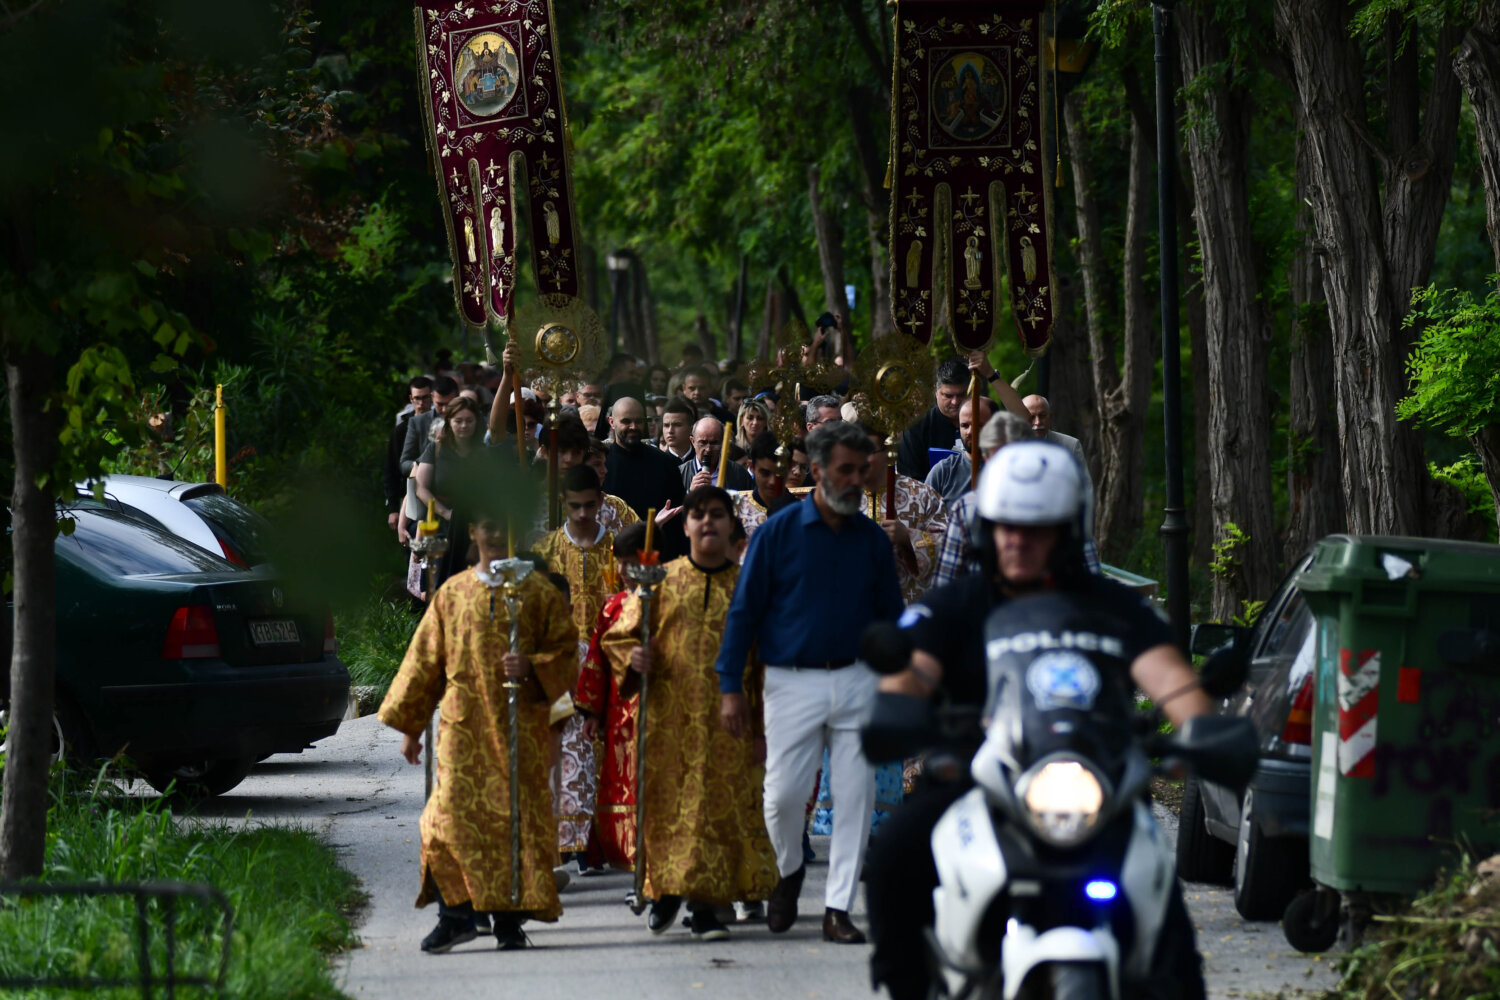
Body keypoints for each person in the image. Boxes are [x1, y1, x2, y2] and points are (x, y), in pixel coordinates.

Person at [865, 440, 1213, 1000]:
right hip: (977, 775)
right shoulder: (955, 604)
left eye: (1037, 527)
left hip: (1098, 788)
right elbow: (913, 670)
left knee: (1168, 926)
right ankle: (907, 985)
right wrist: (897, 708)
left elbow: (1172, 679)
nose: (1017, 539)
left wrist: (1205, 728)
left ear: (1067, 531)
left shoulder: (1113, 606)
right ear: (986, 527)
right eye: (1005, 525)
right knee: (895, 852)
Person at [715, 421, 905, 944]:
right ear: (817, 471)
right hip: (790, 682)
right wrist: (730, 684)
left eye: (860, 470)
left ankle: (837, 907)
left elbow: (891, 617)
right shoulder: (777, 533)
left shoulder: (870, 541)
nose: (854, 479)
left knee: (855, 797)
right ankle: (791, 869)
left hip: (856, 682)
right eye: (845, 469)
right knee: (781, 797)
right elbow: (744, 611)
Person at [379, 515, 580, 953]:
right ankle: (456, 915)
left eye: (500, 523)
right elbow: (426, 660)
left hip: (519, 724)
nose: (492, 531)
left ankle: (508, 921)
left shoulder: (539, 592)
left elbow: (566, 650)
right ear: (473, 532)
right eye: (485, 524)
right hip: (462, 725)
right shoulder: (452, 593)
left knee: (513, 821)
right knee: (444, 819)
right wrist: (412, 727)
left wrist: (532, 666)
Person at [602, 486, 779, 941]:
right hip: (669, 719)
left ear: (730, 526)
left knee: (716, 813)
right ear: (685, 526)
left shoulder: (747, 586)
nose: (707, 523)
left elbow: (763, 660)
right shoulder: (659, 580)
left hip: (729, 720)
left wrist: (763, 726)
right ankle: (666, 891)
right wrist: (632, 657)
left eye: (717, 516)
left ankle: (706, 908)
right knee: (670, 810)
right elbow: (620, 637)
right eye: (699, 516)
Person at [534, 466, 618, 863]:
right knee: (566, 753)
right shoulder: (546, 551)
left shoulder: (618, 550)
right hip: (558, 666)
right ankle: (565, 841)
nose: (583, 514)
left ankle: (601, 839)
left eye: (590, 505)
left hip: (609, 663)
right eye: (575, 507)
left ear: (601, 502)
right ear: (564, 504)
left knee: (601, 749)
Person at [573, 523, 654, 874]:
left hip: (660, 711)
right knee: (620, 783)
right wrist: (591, 712)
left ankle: (654, 859)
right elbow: (596, 662)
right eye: (618, 562)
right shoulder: (611, 607)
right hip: (619, 714)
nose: (622, 570)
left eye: (630, 561)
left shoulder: (668, 598)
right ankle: (623, 854)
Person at [932, 411, 1034, 587]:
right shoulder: (966, 508)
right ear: (986, 457)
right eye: (999, 457)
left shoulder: (1060, 505)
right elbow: (945, 584)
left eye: (1013, 457)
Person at [858, 422, 948, 605]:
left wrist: (907, 538)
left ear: (887, 452)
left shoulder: (922, 495)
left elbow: (948, 549)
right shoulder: (841, 497)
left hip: (907, 605)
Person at [413, 396, 494, 590]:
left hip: (473, 526)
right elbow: (421, 488)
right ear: (449, 421)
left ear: (477, 422)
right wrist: (445, 513)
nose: (464, 426)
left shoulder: (484, 453)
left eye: (469, 421)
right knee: (439, 583)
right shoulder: (436, 449)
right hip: (441, 525)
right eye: (458, 421)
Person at [603, 398, 687, 559]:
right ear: (612, 422)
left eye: (639, 421)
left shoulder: (665, 463)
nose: (633, 427)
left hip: (659, 556)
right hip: (613, 557)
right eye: (626, 421)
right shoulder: (602, 465)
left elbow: (677, 519)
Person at [924, 395, 997, 508]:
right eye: (965, 426)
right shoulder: (943, 472)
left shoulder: (1007, 470)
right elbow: (924, 517)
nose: (970, 432)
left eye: (979, 425)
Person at [732, 431, 801, 541]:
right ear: (751, 467)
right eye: (765, 473)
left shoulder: (801, 513)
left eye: (779, 473)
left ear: (790, 467)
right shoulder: (737, 514)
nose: (773, 482)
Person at [386, 376, 433, 535]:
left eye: (425, 398)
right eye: (417, 398)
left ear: (432, 397)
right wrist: (393, 508)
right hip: (408, 495)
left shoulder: (441, 426)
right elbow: (391, 469)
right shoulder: (400, 432)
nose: (421, 403)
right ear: (411, 399)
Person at [1022, 393, 1091, 483]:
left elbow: (1085, 485)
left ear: (1050, 417)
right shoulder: (1009, 447)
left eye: (1042, 416)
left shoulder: (1070, 446)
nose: (1038, 422)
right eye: (1031, 417)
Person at [401, 374, 459, 478]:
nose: (445, 410)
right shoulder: (418, 423)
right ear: (432, 397)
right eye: (440, 404)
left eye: (450, 404)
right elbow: (404, 464)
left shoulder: (471, 420)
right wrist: (425, 464)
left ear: (457, 398)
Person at [682, 416, 754, 492]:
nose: (708, 449)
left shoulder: (739, 474)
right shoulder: (680, 474)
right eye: (703, 443)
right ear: (693, 441)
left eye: (714, 443)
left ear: (723, 442)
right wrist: (690, 493)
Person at [657, 398, 696, 464]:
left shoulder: (700, 459)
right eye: (666, 425)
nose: (670, 431)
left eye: (677, 425)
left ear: (691, 429)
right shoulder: (657, 462)